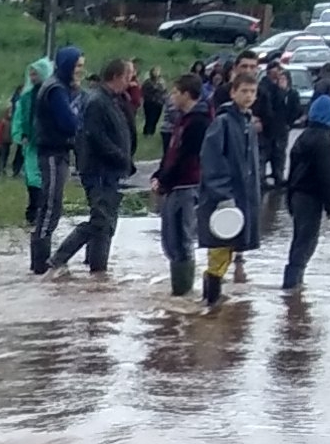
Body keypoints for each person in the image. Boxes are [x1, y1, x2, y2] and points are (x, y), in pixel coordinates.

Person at [196, 67, 266, 310]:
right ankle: (210, 301)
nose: (248, 95)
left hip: (242, 201)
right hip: (222, 203)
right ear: (233, 93)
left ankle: (212, 301)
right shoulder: (223, 123)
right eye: (244, 91)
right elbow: (212, 162)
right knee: (218, 249)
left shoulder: (247, 123)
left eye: (252, 91)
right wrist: (223, 196)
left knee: (228, 250)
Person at [151, 57, 215, 296]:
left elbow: (186, 157)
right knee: (171, 241)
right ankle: (179, 291)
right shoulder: (183, 119)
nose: (171, 96)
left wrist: (164, 181)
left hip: (187, 186)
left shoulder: (199, 122)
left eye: (176, 92)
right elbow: (171, 153)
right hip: (175, 185)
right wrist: (159, 174)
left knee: (182, 240)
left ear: (187, 94)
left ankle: (183, 292)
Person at [72, 56, 140, 276]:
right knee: (100, 221)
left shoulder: (114, 100)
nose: (131, 81)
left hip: (113, 170)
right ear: (116, 76)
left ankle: (98, 271)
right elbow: (97, 137)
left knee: (107, 224)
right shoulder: (97, 101)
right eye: (128, 76)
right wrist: (122, 157)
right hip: (99, 170)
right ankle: (59, 259)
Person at [24, 43, 83, 273]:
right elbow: (69, 123)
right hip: (51, 152)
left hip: (58, 152)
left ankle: (41, 263)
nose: (80, 70)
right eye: (78, 65)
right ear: (68, 65)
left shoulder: (61, 86)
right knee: (50, 205)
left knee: (54, 205)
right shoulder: (56, 89)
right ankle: (40, 264)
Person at [281, 86, 330, 293]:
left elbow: (292, 172)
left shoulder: (303, 137)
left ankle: (294, 284)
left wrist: (289, 198)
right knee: (306, 242)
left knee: (299, 239)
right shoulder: (324, 143)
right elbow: (329, 176)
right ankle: (292, 287)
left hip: (297, 195)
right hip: (311, 197)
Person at [253, 52, 304, 235]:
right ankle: (260, 179)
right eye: (276, 71)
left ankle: (278, 175)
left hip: (281, 128)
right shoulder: (265, 87)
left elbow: (292, 108)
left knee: (279, 154)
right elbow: (269, 104)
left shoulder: (289, 91)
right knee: (263, 154)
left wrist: (289, 121)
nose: (279, 74)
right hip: (267, 128)